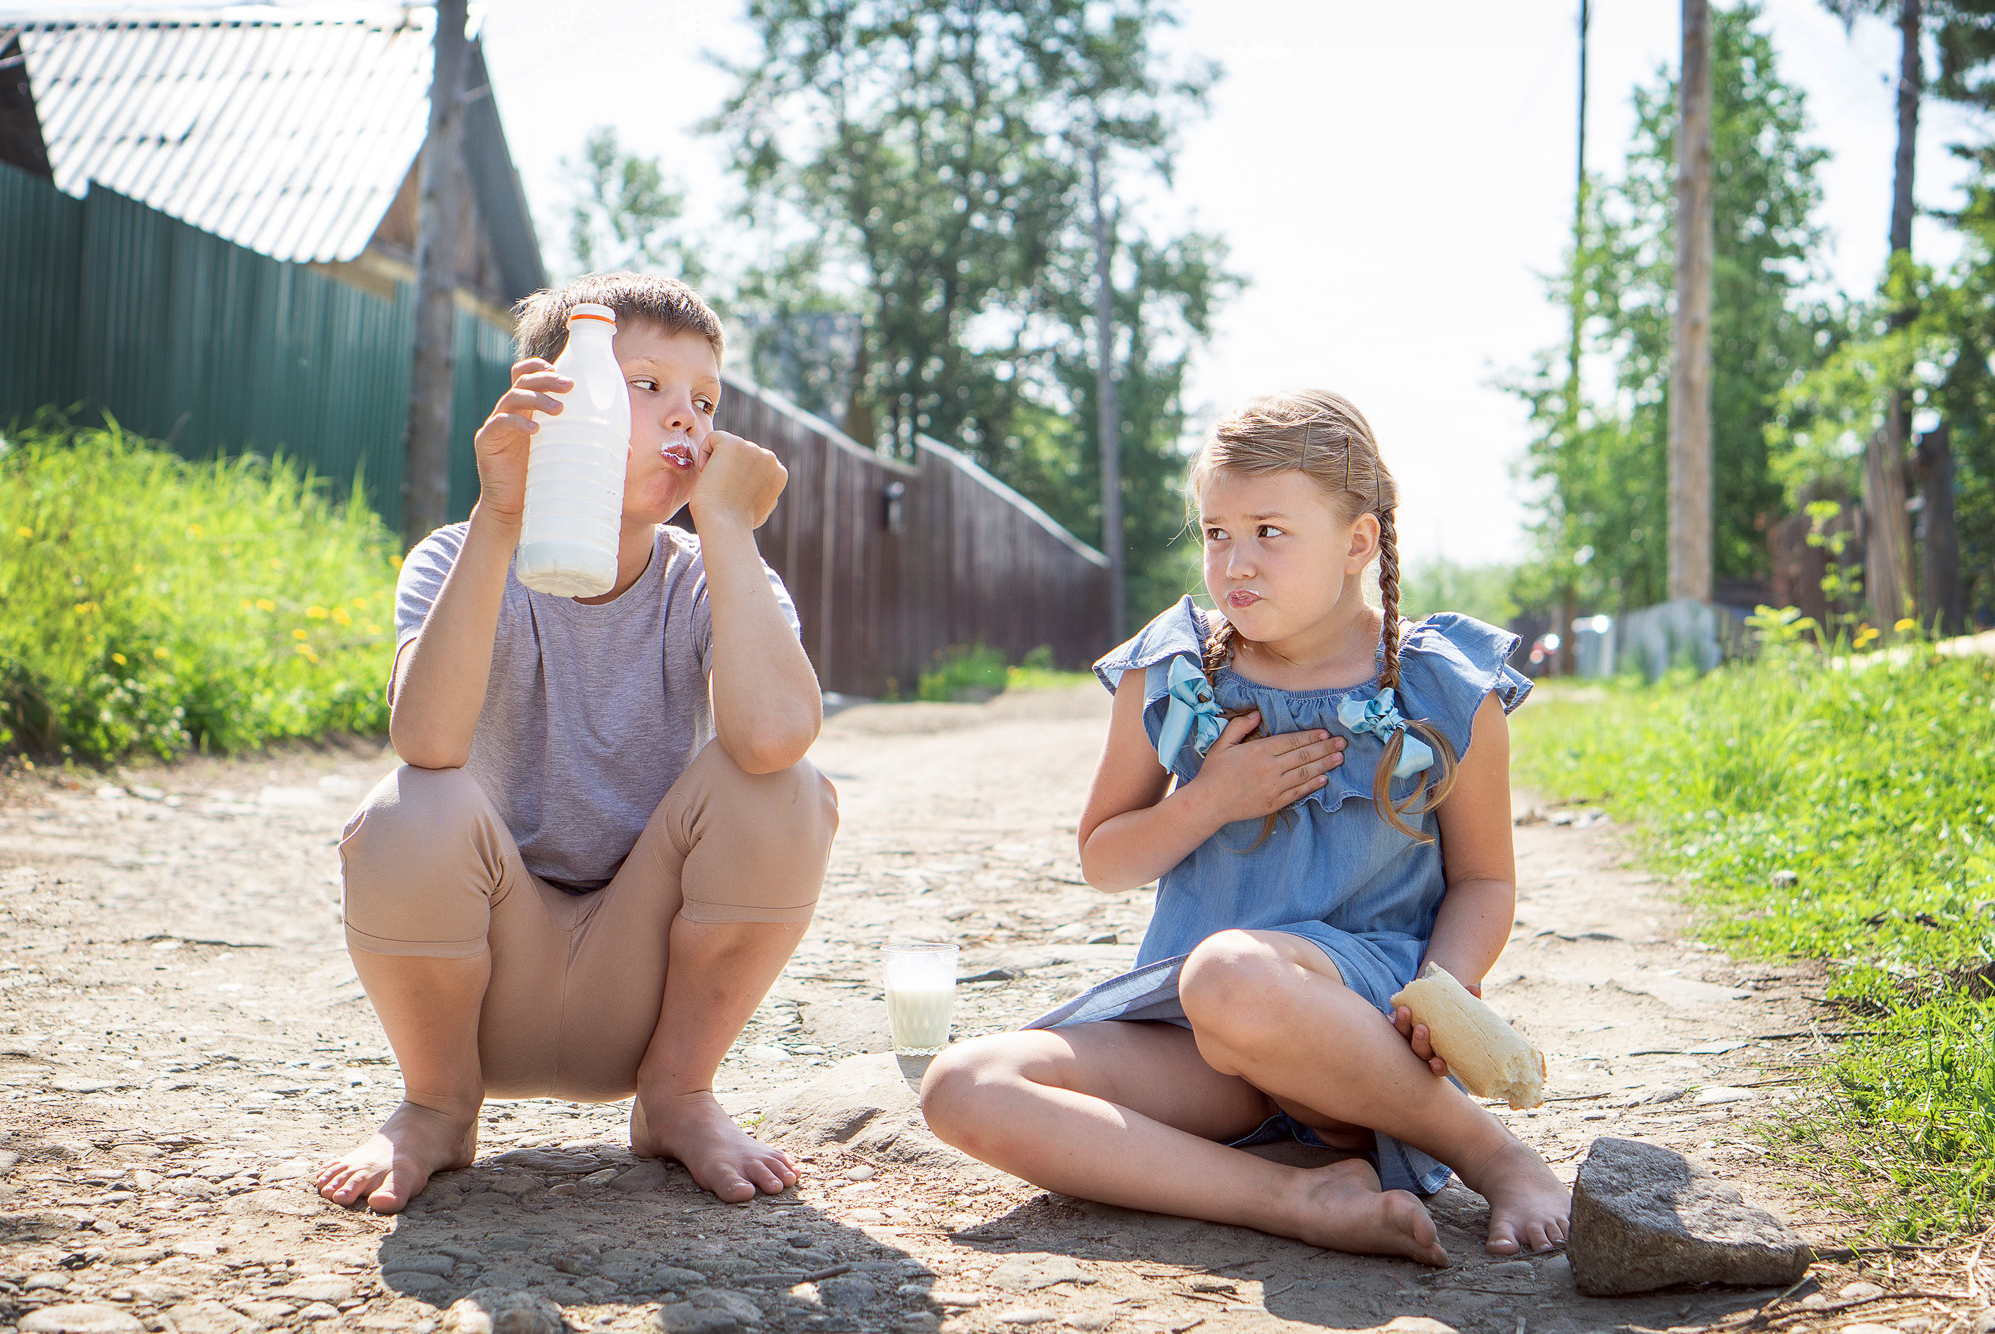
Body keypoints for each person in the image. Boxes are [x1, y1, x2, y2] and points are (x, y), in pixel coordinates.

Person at [920, 390, 1569, 1267]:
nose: (1236, 563)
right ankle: (1294, 1197)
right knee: (964, 1086)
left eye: (1270, 530)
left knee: (1229, 971)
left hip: (1360, 1026)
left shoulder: (1441, 687)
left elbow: (1486, 880)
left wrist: (1444, 991)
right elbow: (1105, 859)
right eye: (1217, 532)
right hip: (1204, 1042)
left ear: (1358, 542)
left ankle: (1494, 1154)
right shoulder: (1178, 672)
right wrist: (1209, 799)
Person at [316, 273, 838, 1215]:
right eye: (646, 387)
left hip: (640, 997)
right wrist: (500, 517)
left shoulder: (713, 575)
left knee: (787, 788)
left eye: (706, 401)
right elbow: (425, 741)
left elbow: (772, 739)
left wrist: (727, 525)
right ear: (557, 400)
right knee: (408, 807)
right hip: (483, 990)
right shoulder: (456, 552)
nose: (687, 420)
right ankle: (437, 1105)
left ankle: (680, 1097)